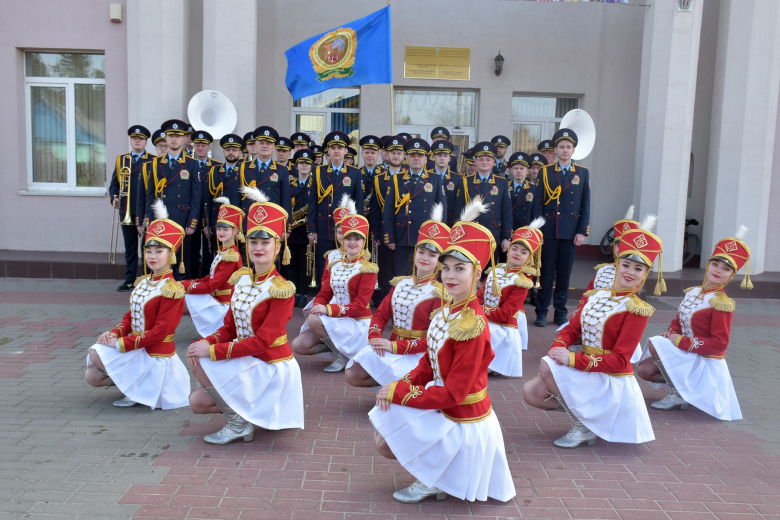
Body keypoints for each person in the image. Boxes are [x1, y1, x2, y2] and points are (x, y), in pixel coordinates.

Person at [369, 199, 515, 504]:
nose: (449, 275)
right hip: (443, 402)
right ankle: (437, 471)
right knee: (383, 433)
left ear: (476, 273)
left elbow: (455, 395)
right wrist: (403, 383)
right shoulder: (447, 311)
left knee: (386, 438)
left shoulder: (473, 325)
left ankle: (436, 477)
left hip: (461, 417)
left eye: (459, 269)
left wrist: (400, 394)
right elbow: (428, 362)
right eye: (446, 267)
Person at [522, 218, 661, 448]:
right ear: (617, 264)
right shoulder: (596, 296)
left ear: (645, 274)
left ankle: (584, 425)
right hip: (587, 369)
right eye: (626, 264)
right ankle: (589, 418)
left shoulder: (637, 309)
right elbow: (572, 328)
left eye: (638, 268)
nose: (630, 272)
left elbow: (619, 360)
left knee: (546, 367)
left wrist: (573, 358)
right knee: (532, 392)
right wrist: (560, 345)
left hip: (610, 377)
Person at [186, 187, 304, 444]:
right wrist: (208, 341)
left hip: (269, 364)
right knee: (197, 397)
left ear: (278, 246)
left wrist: (215, 352)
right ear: (246, 244)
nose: (259, 248)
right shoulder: (241, 280)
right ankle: (245, 416)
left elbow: (263, 341)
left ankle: (239, 424)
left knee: (203, 364)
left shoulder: (281, 289)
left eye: (265, 242)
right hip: (246, 356)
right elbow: (229, 326)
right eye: (253, 242)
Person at [636, 227, 751, 420]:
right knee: (644, 369)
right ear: (708, 265)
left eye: (726, 269)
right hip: (687, 354)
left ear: (731, 275)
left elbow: (719, 344)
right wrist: (672, 332)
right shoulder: (693, 292)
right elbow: (678, 320)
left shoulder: (721, 303)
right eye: (715, 264)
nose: (718, 271)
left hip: (705, 360)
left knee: (656, 344)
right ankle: (685, 390)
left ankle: (679, 394)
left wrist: (680, 341)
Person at [85, 199, 190, 409]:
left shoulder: (172, 289)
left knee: (97, 354)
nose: (152, 256)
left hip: (154, 354)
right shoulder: (143, 282)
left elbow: (161, 332)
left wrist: (122, 344)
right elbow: (131, 317)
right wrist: (115, 333)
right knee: (92, 376)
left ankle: (139, 388)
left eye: (159, 251)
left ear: (171, 255)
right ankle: (133, 385)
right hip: (137, 348)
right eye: (149, 251)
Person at [346, 203, 450, 388]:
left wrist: (395, 347)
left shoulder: (440, 294)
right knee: (353, 373)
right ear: (415, 252)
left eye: (432, 255)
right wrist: (375, 337)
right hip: (392, 347)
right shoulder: (400, 284)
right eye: (421, 252)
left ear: (439, 262)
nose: (425, 258)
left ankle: (397, 389)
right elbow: (380, 315)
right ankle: (393, 387)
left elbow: (434, 338)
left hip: (418, 355)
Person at [292, 206, 377, 373]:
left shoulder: (368, 269)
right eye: (348, 238)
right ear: (342, 240)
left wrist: (327, 309)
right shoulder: (335, 264)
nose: (352, 243)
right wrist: (318, 306)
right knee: (299, 345)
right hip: (337, 318)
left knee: (314, 321)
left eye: (357, 239)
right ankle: (340, 351)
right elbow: (325, 293)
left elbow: (360, 305)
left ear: (363, 241)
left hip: (356, 322)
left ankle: (343, 354)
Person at [532, 128, 591, 327]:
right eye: (561, 147)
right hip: (549, 230)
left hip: (570, 231)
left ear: (573, 150)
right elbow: (538, 203)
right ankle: (541, 312)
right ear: (555, 150)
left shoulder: (582, 173)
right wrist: (536, 230)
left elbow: (585, 203)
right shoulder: (546, 171)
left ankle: (560, 312)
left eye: (569, 147)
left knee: (564, 274)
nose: (565, 150)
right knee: (546, 273)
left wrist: (582, 230)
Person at [479, 218, 544, 377]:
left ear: (529, 257)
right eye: (515, 248)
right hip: (484, 317)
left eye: (524, 252)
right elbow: (480, 296)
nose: (517, 253)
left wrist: (479, 311)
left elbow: (507, 314)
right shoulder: (495, 270)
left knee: (482, 331)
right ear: (509, 250)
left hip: (502, 327)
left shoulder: (522, 282)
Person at [143, 119, 202, 280]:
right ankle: (162, 291)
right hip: (160, 218)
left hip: (182, 218)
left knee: (183, 259)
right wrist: (148, 218)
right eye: (170, 136)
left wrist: (193, 222)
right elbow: (151, 195)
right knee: (161, 256)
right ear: (166, 139)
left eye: (178, 136)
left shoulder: (192, 164)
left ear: (184, 139)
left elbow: (196, 196)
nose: (174, 139)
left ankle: (181, 293)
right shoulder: (155, 164)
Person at [306, 131, 364, 285]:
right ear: (328, 151)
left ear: (345, 151)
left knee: (346, 264)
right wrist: (312, 228)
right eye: (333, 148)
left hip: (346, 229)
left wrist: (358, 230)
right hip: (323, 226)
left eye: (340, 148)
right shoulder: (319, 171)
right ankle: (322, 297)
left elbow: (358, 204)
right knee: (323, 264)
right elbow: (313, 202)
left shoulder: (354, 173)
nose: (336, 151)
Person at [383, 138, 447, 277]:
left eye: (420, 156)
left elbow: (442, 210)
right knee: (402, 276)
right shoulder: (396, 179)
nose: (416, 159)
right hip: (403, 236)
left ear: (426, 159)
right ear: (406, 158)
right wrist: (390, 237)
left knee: (426, 276)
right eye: (412, 155)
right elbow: (388, 211)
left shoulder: (435, 179)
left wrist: (440, 238)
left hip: (427, 236)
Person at [181, 199, 244, 337]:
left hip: (224, 305)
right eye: (219, 229)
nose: (221, 232)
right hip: (218, 300)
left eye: (225, 229)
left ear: (236, 231)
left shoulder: (231, 256)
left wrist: (184, 286)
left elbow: (212, 285)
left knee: (190, 294)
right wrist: (187, 283)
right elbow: (209, 278)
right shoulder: (224, 251)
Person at [109, 125, 155, 292]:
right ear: (130, 141)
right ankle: (130, 279)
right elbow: (114, 184)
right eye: (134, 138)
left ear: (146, 142)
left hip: (144, 211)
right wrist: (114, 197)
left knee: (148, 247)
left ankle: (149, 278)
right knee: (130, 247)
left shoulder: (153, 160)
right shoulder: (122, 160)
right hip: (126, 210)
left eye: (140, 139)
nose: (137, 141)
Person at [453, 142, 512, 265]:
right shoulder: (465, 182)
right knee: (471, 270)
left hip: (493, 235)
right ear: (475, 162)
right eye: (481, 159)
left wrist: (506, 237)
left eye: (488, 159)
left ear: (493, 162)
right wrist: (457, 234)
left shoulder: (501, 182)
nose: (484, 162)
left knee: (490, 272)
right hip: (470, 234)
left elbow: (506, 212)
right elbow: (458, 211)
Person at [370, 137, 403, 303]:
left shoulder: (409, 178)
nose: (396, 156)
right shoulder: (378, 179)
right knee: (385, 269)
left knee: (403, 269)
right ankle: (385, 302)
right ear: (386, 155)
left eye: (399, 153)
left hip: (405, 231)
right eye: (392, 153)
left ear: (404, 155)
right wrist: (376, 232)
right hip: (385, 231)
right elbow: (375, 209)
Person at [203, 135, 245, 256]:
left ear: (240, 152)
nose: (231, 153)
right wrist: (206, 224)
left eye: (234, 150)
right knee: (218, 254)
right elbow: (208, 199)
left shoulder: (245, 171)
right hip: (218, 219)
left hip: (237, 221)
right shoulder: (214, 171)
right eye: (228, 150)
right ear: (223, 152)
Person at [239, 126, 292, 222]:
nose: (265, 146)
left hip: (271, 220)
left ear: (274, 147)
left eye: (269, 143)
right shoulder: (243, 167)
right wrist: (235, 225)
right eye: (261, 143)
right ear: (255, 145)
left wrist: (286, 227)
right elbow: (236, 197)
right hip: (247, 219)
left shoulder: (282, 170)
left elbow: (286, 201)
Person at [191, 130, 222, 278]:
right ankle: (192, 279)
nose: (200, 148)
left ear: (209, 148)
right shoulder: (187, 164)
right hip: (191, 213)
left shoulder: (217, 167)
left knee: (209, 250)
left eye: (203, 145)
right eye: (197, 145)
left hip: (208, 213)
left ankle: (207, 278)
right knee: (192, 249)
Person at [288, 149, 315, 307]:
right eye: (301, 163)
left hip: (306, 231)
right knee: (292, 264)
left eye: (307, 163)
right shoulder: (290, 184)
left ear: (311, 166)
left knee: (305, 264)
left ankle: (303, 293)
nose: (304, 165)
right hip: (292, 230)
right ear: (296, 165)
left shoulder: (316, 184)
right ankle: (294, 292)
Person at [137, 129, 166, 229]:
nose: (163, 148)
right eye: (159, 146)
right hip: (152, 213)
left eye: (166, 145)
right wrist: (140, 220)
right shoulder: (146, 166)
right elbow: (141, 195)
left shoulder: (179, 165)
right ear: (155, 148)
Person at [429, 140, 461, 226]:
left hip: (450, 222)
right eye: (439, 155)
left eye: (445, 156)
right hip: (430, 221)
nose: (442, 158)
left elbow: (459, 205)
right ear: (434, 157)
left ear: (449, 159)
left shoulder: (457, 179)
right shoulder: (427, 177)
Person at [508, 152, 535, 230]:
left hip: (525, 229)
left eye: (522, 168)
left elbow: (535, 213)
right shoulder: (504, 187)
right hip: (509, 229)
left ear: (527, 171)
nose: (518, 171)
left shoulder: (534, 189)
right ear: (511, 170)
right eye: (516, 168)